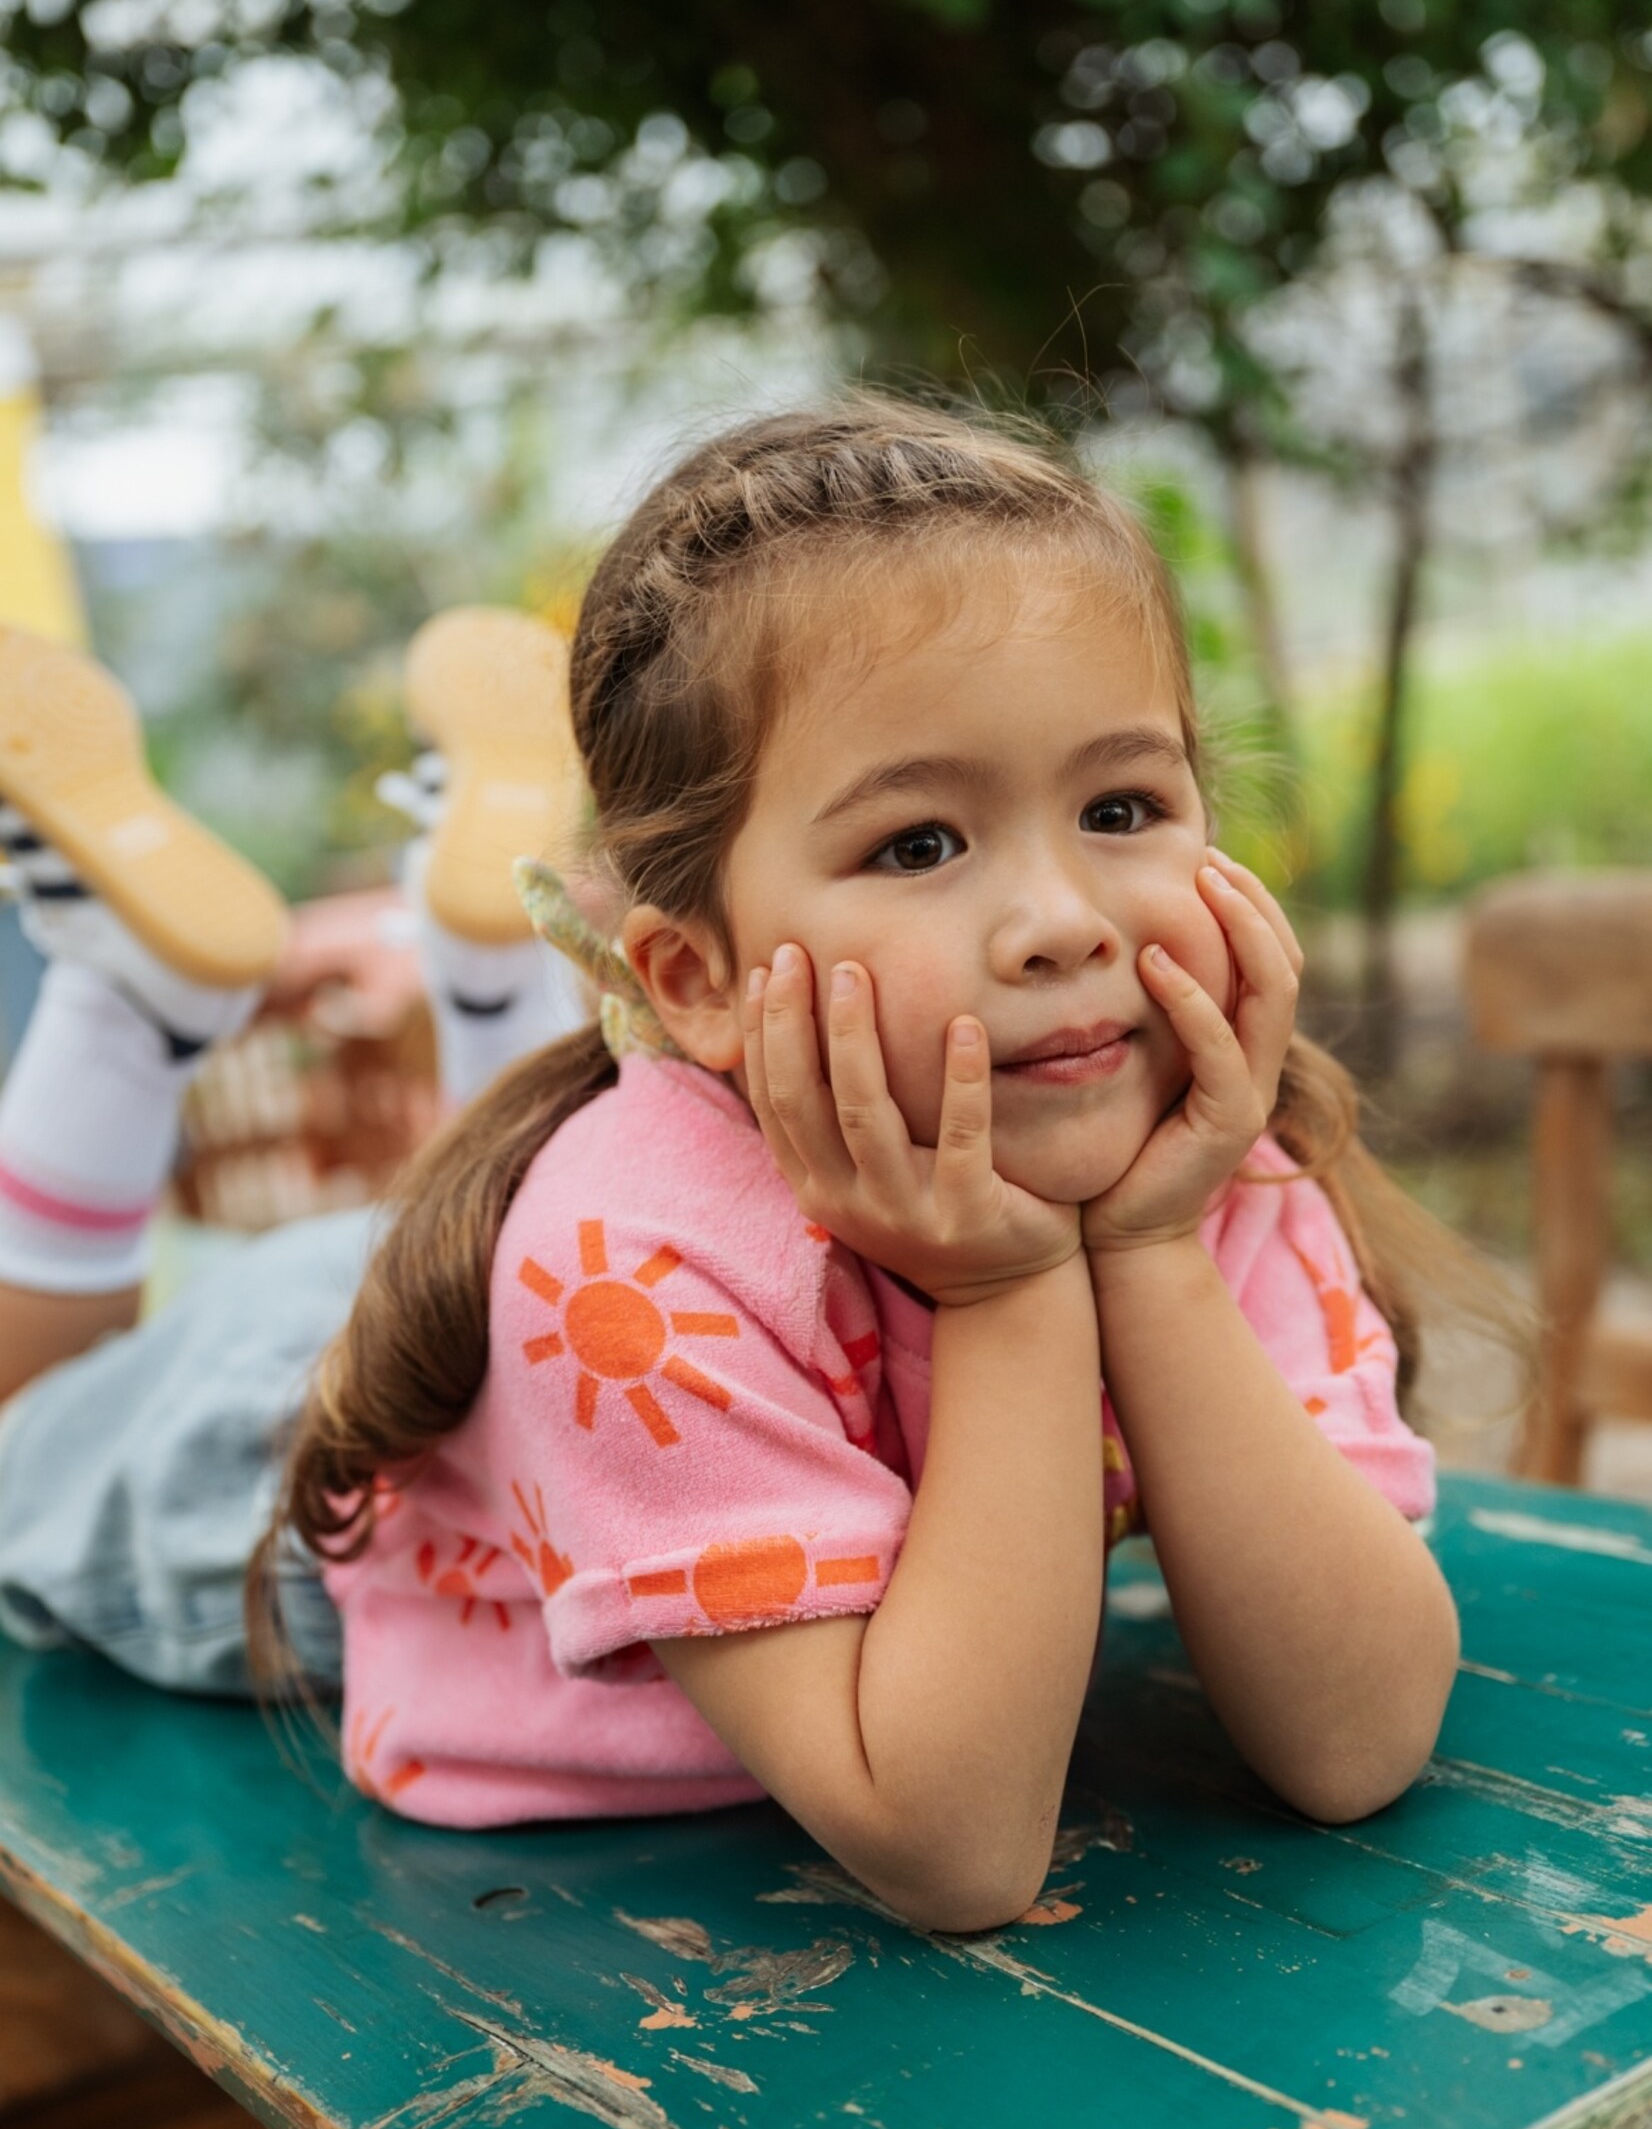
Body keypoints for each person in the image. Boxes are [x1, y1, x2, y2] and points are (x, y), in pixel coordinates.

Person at [0, 398, 1500, 1934]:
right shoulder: (620, 1266)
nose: (1064, 921)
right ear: (700, 982)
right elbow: (959, 1848)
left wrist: (1150, 1255)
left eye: (1121, 808)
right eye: (919, 844)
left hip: (539, 1312)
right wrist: (1009, 1289)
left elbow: (1356, 1740)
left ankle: (477, 974)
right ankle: (131, 1011)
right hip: (302, 1484)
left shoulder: (1199, 1164)